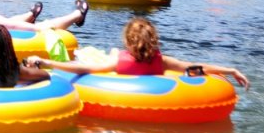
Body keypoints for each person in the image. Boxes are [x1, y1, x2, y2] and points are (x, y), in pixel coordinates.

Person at [25, 17, 249, 90]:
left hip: (114, 69)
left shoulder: (120, 62)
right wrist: (229, 70)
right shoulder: (162, 62)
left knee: (95, 55)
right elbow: (194, 68)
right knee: (109, 54)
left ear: (129, 41)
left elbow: (83, 69)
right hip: (150, 79)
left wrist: (46, 62)